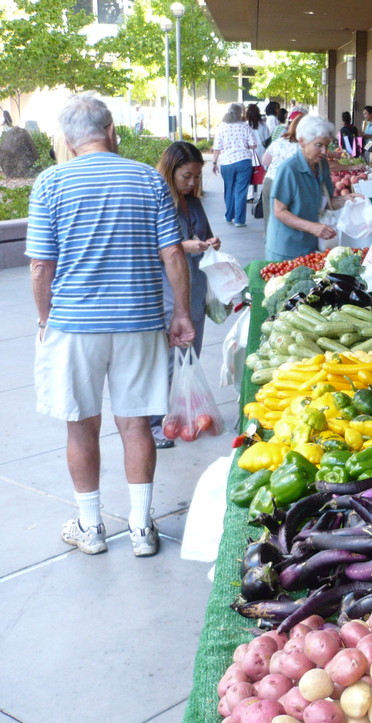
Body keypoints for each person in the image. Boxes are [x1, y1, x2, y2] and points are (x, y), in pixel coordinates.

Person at [26, 93, 194, 557]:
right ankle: (141, 528)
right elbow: (174, 253)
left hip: (74, 325)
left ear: (66, 140)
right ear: (112, 130)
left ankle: (91, 526)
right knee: (136, 423)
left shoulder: (50, 183)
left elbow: (41, 266)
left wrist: (45, 318)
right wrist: (181, 313)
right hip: (139, 321)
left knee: (80, 426)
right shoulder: (147, 179)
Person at [149, 141, 221, 448]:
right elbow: (149, 248)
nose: (192, 183)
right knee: (167, 359)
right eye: (186, 177)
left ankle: (182, 414)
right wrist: (183, 248)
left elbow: (202, 234)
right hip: (168, 294)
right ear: (170, 171)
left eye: (196, 177)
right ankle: (155, 422)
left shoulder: (193, 202)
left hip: (196, 290)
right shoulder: (156, 201)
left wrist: (210, 242)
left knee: (189, 356)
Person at [266, 115, 355, 261]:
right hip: (286, 247)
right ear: (302, 142)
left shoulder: (322, 165)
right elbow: (280, 212)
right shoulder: (288, 169)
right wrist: (313, 227)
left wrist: (346, 199)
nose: (324, 151)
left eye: (327, 145)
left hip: (312, 245)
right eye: (318, 145)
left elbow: (327, 201)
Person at [212, 103, 257, 228]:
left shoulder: (222, 127)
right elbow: (253, 145)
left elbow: (217, 148)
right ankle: (239, 220)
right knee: (241, 191)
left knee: (229, 190)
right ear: (240, 113)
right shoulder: (245, 127)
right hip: (244, 161)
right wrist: (243, 146)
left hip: (227, 163)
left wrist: (214, 162)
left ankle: (229, 216)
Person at [260, 112, 306, 230]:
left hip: (270, 181)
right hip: (286, 184)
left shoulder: (280, 140)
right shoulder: (303, 146)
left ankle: (269, 244)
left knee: (269, 219)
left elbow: (265, 160)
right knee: (286, 220)